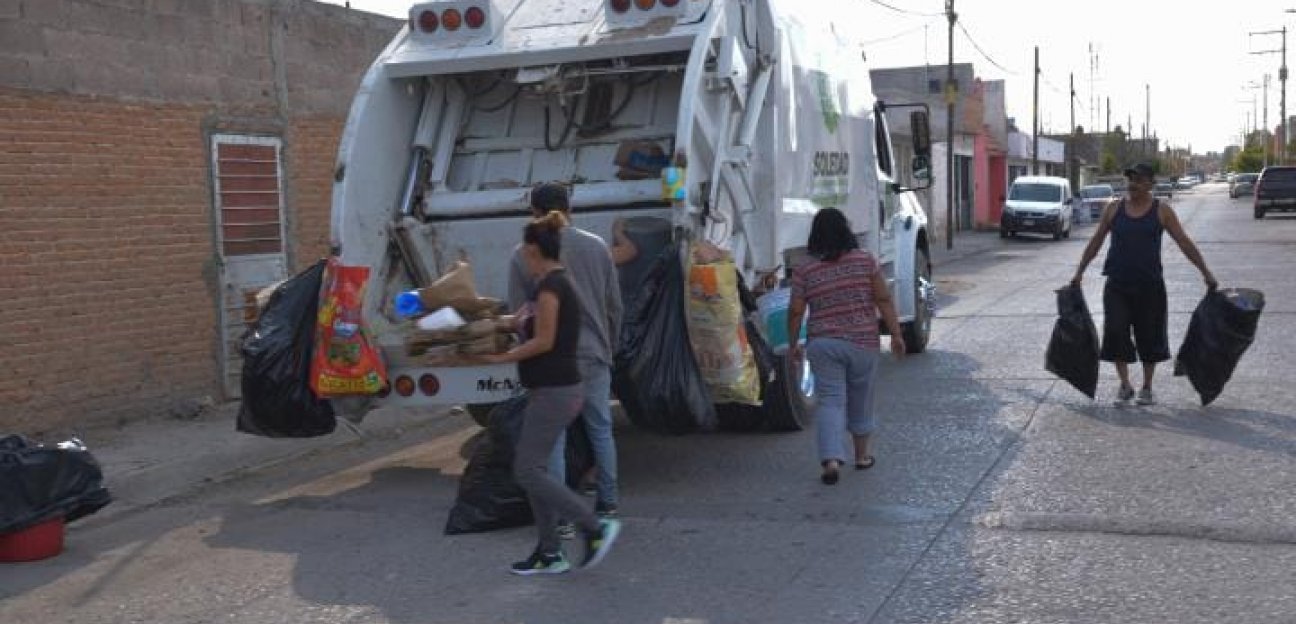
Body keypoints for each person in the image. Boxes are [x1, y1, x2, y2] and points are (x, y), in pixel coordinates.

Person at [480, 212, 621, 575]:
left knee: (528, 470)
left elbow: (544, 340)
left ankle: (592, 526)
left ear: (532, 250)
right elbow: (519, 321)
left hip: (556, 390)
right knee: (534, 469)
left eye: (524, 250)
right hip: (550, 389)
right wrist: (481, 325)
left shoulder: (552, 288)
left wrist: (502, 357)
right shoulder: (548, 285)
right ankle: (549, 552)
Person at [508, 183, 623, 519]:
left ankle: (561, 518)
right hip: (595, 354)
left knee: (554, 439)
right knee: (600, 427)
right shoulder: (597, 246)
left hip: (553, 361)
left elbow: (519, 315)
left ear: (533, 213)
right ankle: (608, 502)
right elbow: (614, 305)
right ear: (569, 207)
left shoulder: (524, 254)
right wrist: (609, 346)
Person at [1070, 162, 1218, 406]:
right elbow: (1095, 243)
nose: (1133, 184)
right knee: (1116, 331)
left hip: (1150, 286)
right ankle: (1125, 384)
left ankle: (1147, 387)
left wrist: (1205, 272)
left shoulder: (1162, 211)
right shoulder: (1113, 209)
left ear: (1150, 184)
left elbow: (1184, 243)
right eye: (1130, 179)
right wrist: (1079, 272)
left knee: (1149, 336)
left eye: (1138, 180)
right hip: (1117, 284)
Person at [786, 208, 906, 486]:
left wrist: (794, 344)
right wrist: (897, 335)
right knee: (861, 399)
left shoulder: (805, 269)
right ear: (846, 231)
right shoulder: (865, 262)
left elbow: (795, 311)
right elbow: (883, 299)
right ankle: (862, 456)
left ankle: (830, 460)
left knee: (830, 401)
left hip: (823, 344)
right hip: (863, 342)